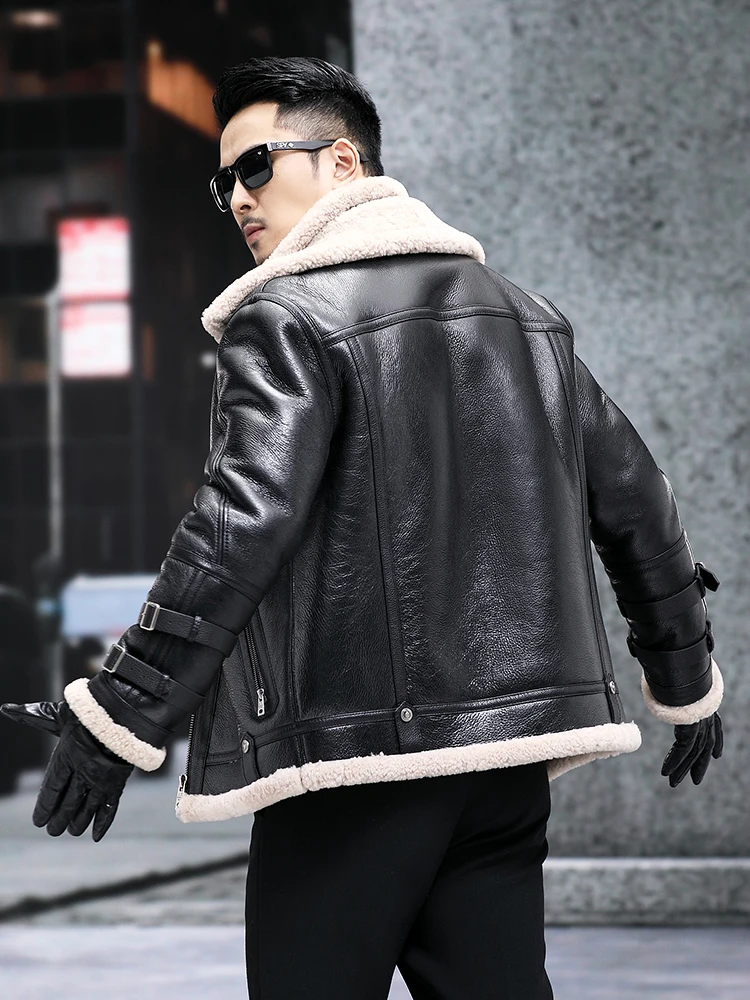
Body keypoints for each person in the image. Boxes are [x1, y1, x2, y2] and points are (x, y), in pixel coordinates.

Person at [1, 56, 724, 999]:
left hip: (352, 766)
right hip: (500, 770)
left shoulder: (288, 316)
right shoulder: (527, 319)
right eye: (223, 183)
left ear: (342, 161)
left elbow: (239, 527)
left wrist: (119, 716)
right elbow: (639, 502)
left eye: (256, 166)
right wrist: (686, 680)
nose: (238, 198)